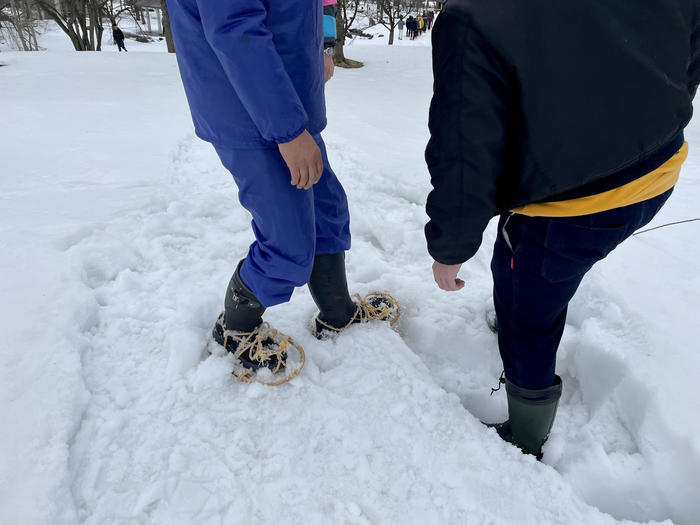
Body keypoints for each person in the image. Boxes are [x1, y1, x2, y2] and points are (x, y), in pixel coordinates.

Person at [425, 0, 698, 458]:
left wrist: (450, 246)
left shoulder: (472, 18)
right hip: (658, 168)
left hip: (571, 204)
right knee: (536, 265)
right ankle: (523, 308)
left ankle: (526, 436)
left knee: (529, 303)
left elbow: (463, 152)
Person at [165, 0, 398, 375]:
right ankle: (235, 330)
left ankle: (337, 312)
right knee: (287, 241)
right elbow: (235, 29)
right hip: (248, 112)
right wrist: (287, 132)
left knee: (327, 211)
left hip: (288, 102)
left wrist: (321, 46)